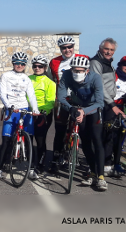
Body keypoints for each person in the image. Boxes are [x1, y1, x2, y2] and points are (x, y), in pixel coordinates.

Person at [57, 55, 107, 191]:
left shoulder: (95, 78)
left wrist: (84, 111)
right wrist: (72, 108)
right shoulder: (66, 75)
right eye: (74, 70)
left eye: (80, 71)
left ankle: (101, 177)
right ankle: (92, 172)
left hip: (93, 108)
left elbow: (100, 102)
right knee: (84, 142)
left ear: (87, 70)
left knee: (96, 139)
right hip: (76, 107)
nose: (77, 73)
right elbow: (61, 96)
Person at [0, 52, 39, 180]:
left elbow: (32, 95)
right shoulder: (6, 76)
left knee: (29, 140)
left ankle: (32, 169)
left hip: (24, 109)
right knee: (6, 141)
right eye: (17, 63)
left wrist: (35, 109)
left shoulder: (27, 79)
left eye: (23, 64)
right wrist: (8, 105)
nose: (20, 65)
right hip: (11, 110)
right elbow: (2, 93)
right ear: (13, 63)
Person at [48, 35, 83, 174]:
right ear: (60, 49)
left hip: (79, 99)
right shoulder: (54, 62)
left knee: (78, 128)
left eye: (70, 47)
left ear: (73, 47)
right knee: (60, 130)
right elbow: (52, 81)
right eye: (64, 48)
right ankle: (56, 159)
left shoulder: (82, 58)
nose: (67, 50)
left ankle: (73, 155)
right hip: (62, 99)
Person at [90, 38, 124, 176]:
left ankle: (106, 164)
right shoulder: (96, 62)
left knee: (109, 134)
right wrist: (112, 104)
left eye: (111, 50)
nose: (109, 52)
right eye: (106, 49)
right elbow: (99, 86)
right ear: (100, 48)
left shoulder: (108, 63)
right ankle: (94, 166)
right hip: (100, 102)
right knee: (97, 136)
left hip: (108, 101)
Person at [28, 54, 57, 176]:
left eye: (40, 66)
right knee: (28, 139)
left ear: (45, 68)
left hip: (43, 114)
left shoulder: (50, 83)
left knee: (40, 140)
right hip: (29, 112)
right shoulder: (27, 79)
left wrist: (43, 111)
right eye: (35, 66)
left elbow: (50, 101)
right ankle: (30, 162)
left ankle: (40, 164)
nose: (37, 68)